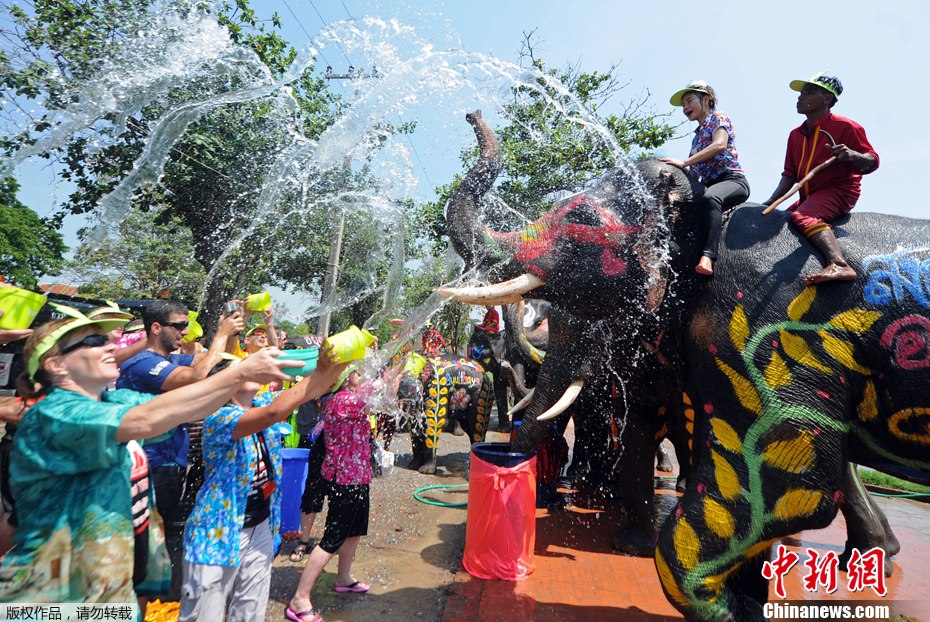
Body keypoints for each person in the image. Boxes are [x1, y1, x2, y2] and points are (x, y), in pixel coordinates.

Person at [0, 305, 296, 605]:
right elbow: (147, 419)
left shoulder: (115, 399)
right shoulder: (55, 413)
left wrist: (324, 368)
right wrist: (241, 371)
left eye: (106, 339)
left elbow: (192, 405)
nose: (110, 346)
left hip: (108, 589)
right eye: (93, 341)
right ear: (55, 365)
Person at [178, 350, 345, 622]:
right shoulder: (218, 417)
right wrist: (318, 373)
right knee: (203, 615)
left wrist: (338, 363)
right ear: (224, 380)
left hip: (261, 524)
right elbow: (275, 413)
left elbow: (311, 390)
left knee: (250, 611)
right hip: (218, 532)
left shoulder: (261, 401)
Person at [117, 299, 244, 599]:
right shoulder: (141, 364)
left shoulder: (173, 360)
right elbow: (196, 377)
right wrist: (220, 333)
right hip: (147, 468)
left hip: (170, 466)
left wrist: (235, 327)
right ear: (156, 327)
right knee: (140, 552)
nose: (185, 331)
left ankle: (150, 606)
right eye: (179, 325)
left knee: (159, 545)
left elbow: (216, 363)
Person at [761, 72, 879, 285]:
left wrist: (851, 154)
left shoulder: (846, 126)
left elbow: (872, 161)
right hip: (811, 194)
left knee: (803, 217)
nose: (800, 97)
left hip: (840, 190)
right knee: (782, 219)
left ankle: (840, 264)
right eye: (801, 93)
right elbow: (789, 174)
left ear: (826, 99)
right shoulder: (795, 134)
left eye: (809, 93)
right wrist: (770, 202)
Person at [286, 367, 374, 622]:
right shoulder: (343, 401)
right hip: (345, 479)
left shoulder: (349, 399)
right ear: (346, 377)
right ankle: (299, 598)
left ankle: (344, 577)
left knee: (354, 530)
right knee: (332, 539)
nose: (363, 375)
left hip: (358, 476)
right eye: (358, 372)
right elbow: (385, 398)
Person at [660, 80, 750, 276]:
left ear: (706, 100)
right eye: (683, 105)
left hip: (732, 181)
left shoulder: (719, 118)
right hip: (708, 185)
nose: (685, 108)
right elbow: (694, 173)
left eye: (689, 101)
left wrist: (684, 162)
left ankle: (708, 256)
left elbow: (720, 145)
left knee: (711, 198)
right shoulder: (696, 137)